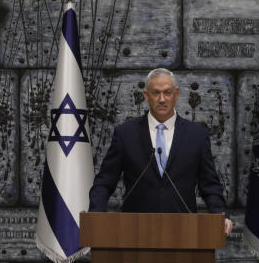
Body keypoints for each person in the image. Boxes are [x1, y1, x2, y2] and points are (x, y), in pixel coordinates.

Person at [88, 68, 233, 235]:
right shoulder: (126, 134)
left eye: (167, 93)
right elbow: (105, 181)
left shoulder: (196, 135)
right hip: (135, 230)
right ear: (146, 95)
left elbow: (210, 184)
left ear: (176, 93)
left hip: (183, 231)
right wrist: (96, 214)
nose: (162, 99)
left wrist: (220, 215)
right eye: (156, 93)